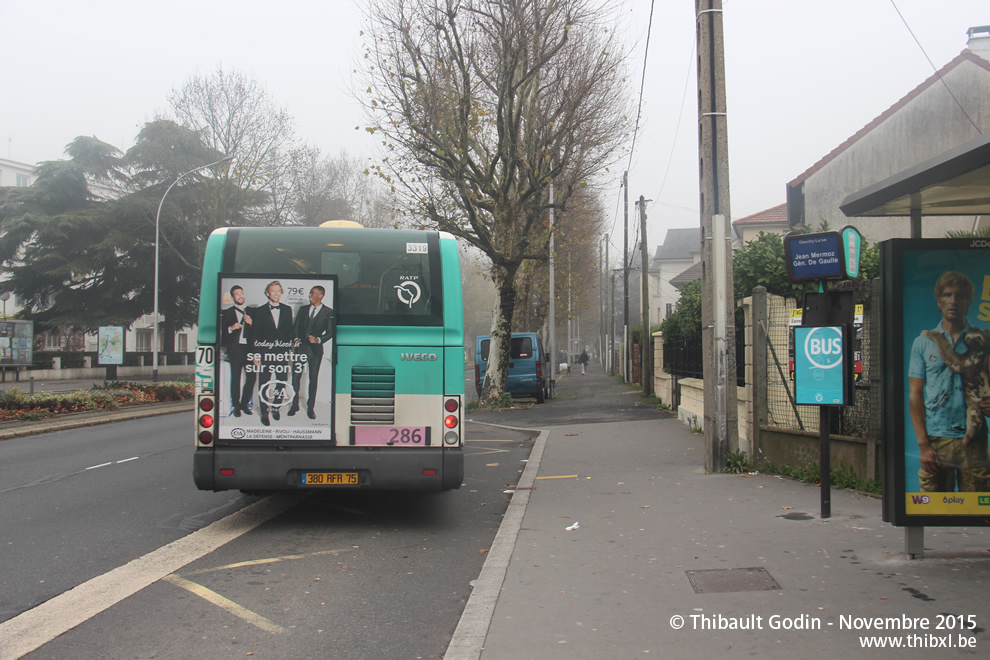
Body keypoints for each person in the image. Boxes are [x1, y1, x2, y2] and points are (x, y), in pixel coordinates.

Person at [908, 271, 990, 492]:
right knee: (933, 505)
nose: (953, 301)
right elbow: (915, 394)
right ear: (939, 300)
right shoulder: (923, 342)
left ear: (968, 301)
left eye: (960, 296)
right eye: (948, 295)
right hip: (937, 437)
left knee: (978, 510)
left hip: (974, 437)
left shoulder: (983, 340)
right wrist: (923, 444)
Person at [247, 280, 295, 426]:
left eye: (278, 291)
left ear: (281, 293)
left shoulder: (287, 309)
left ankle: (276, 407)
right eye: (273, 291)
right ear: (267, 293)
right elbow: (255, 335)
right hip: (264, 353)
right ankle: (264, 413)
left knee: (281, 381)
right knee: (264, 383)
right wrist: (256, 354)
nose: (275, 294)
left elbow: (289, 332)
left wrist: (289, 350)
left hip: (281, 353)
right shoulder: (260, 311)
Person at [288, 285, 335, 420]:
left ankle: (310, 408)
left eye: (312, 293)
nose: (309, 296)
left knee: (313, 379)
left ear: (320, 295)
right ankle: (294, 405)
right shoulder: (303, 310)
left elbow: (331, 332)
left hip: (315, 350)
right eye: (309, 293)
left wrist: (318, 339)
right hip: (301, 348)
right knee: (295, 377)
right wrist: (296, 338)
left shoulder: (329, 312)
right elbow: (296, 327)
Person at [220, 285, 254, 417]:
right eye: (236, 294)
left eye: (241, 293)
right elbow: (222, 336)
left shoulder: (253, 311)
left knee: (251, 377)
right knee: (236, 378)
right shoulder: (228, 313)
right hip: (236, 349)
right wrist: (231, 328)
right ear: (233, 297)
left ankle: (244, 403)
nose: (240, 296)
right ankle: (236, 406)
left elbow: (260, 332)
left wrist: (251, 323)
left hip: (250, 349)